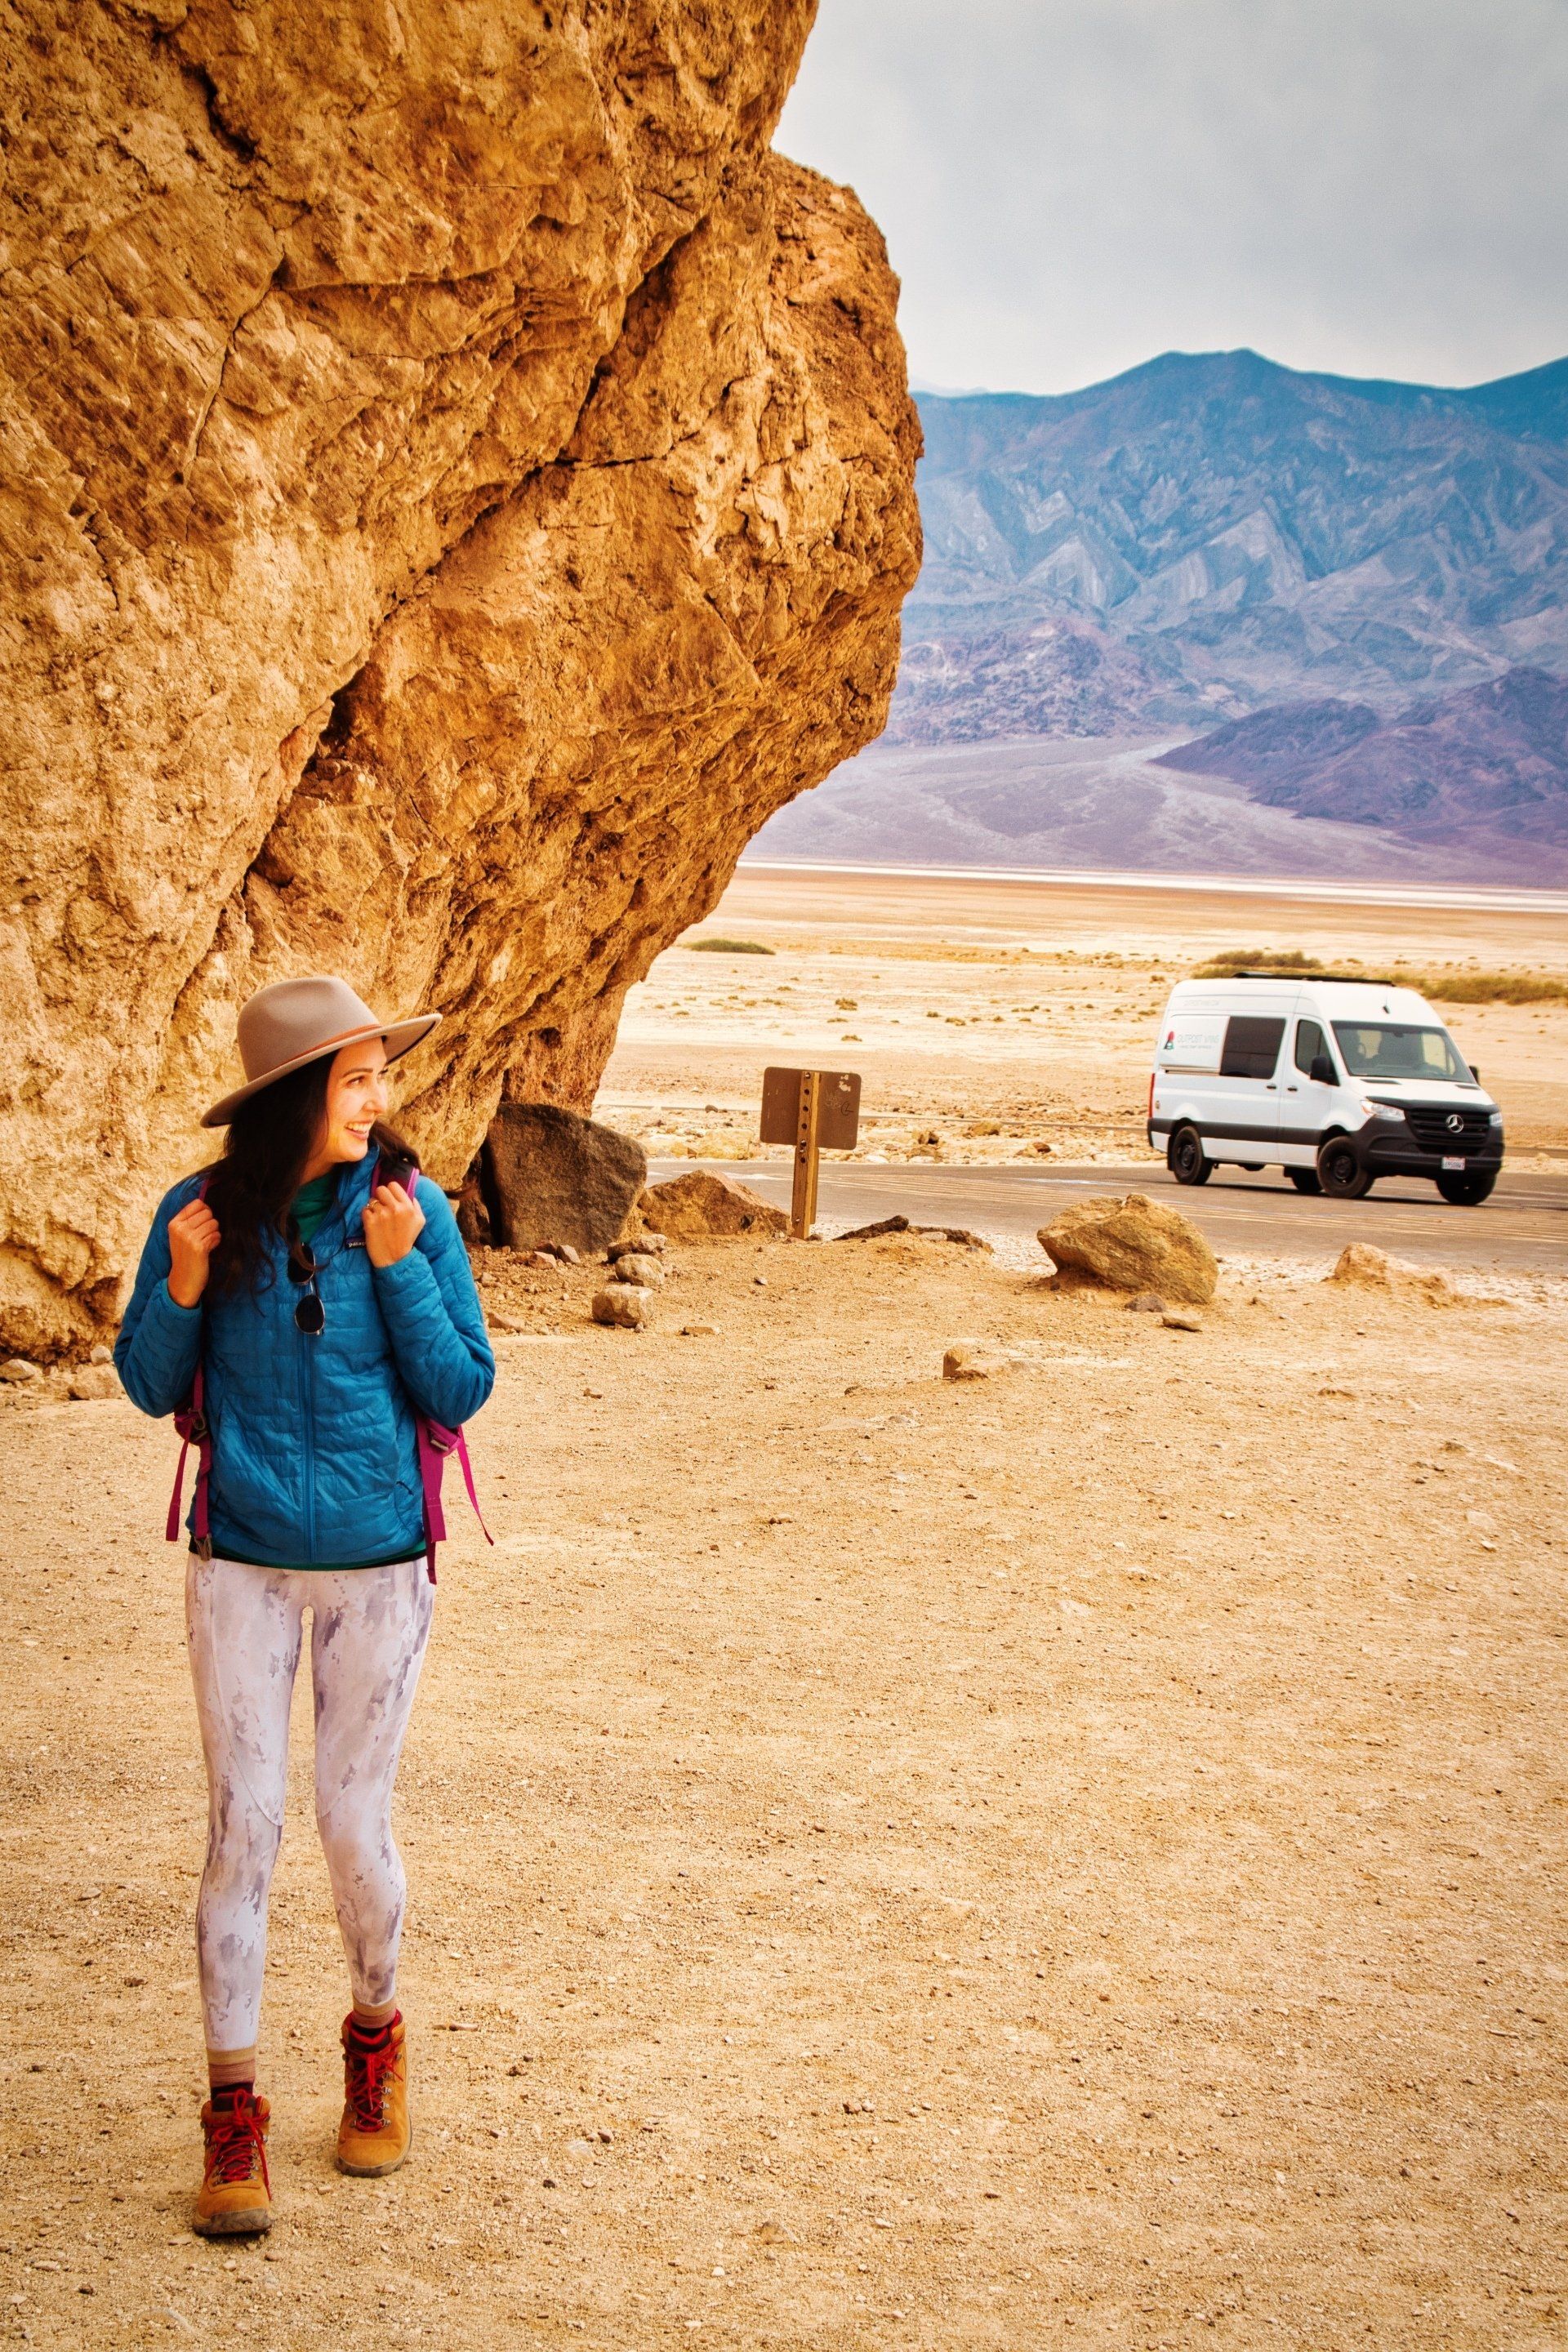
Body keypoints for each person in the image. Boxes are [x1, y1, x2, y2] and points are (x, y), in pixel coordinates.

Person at [115, 975, 494, 2237]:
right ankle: (235, 2125)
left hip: (383, 1566)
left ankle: (374, 2041)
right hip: (241, 1565)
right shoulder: (200, 1214)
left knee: (348, 1823)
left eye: (381, 1075)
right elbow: (146, 1381)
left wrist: (398, 1273)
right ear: (292, 1101)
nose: (379, 1100)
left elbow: (462, 1384)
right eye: (356, 1080)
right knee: (245, 1829)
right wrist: (177, 1286)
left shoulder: (410, 1211)